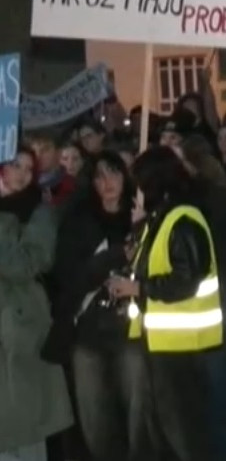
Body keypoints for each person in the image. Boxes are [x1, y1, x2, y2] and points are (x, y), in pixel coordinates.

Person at [112, 146, 224, 460]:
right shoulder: (160, 219)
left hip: (183, 348)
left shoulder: (183, 219)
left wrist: (138, 288)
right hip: (160, 345)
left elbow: (186, 279)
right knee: (162, 435)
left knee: (185, 435)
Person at [50, 151, 149, 461]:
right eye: (99, 176)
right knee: (94, 419)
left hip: (132, 332)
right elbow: (69, 277)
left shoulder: (143, 217)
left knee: (136, 415)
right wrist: (113, 256)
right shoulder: (78, 222)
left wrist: (141, 227)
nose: (107, 183)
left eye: (113, 173)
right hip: (88, 333)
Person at [0, 147, 73, 461]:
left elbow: (28, 262)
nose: (22, 174)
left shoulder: (37, 211)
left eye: (29, 169)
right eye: (16, 165)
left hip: (23, 330)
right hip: (10, 330)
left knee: (27, 427)